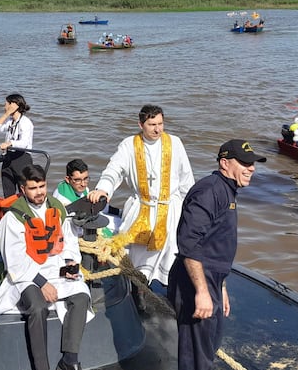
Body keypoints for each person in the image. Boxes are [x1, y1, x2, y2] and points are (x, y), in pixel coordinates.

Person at [168, 139, 266, 370]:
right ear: (225, 163)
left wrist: (220, 286)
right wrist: (202, 291)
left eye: (252, 163)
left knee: (208, 348)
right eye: (244, 163)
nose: (251, 168)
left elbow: (213, 243)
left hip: (210, 280)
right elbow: (189, 244)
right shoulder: (211, 191)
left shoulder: (227, 191)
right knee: (196, 358)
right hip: (194, 282)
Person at [0, 165, 91, 370]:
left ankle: (69, 359)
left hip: (55, 265)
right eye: (33, 188)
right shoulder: (13, 218)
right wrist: (42, 283)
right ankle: (42, 366)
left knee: (81, 296)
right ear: (23, 189)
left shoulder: (57, 207)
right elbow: (14, 260)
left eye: (42, 186)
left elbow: (68, 239)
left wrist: (70, 262)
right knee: (38, 307)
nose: (39, 192)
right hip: (27, 273)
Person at [87, 105, 194, 286]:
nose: (157, 129)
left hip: (170, 209)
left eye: (160, 123)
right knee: (136, 256)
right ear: (141, 124)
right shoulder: (129, 145)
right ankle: (138, 290)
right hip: (141, 207)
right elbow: (114, 170)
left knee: (171, 253)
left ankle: (168, 290)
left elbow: (186, 178)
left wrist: (192, 208)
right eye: (152, 124)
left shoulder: (174, 143)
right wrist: (103, 188)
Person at [53, 158, 121, 235]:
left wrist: (119, 212)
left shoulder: (81, 188)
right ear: (68, 179)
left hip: (86, 219)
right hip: (72, 230)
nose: (83, 184)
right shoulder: (63, 200)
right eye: (78, 180)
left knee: (122, 221)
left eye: (85, 178)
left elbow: (95, 206)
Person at [0, 93, 34, 197]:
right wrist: (6, 114)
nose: (4, 107)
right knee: (8, 189)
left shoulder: (25, 122)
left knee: (23, 190)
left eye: (6, 104)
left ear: (13, 105)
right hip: (8, 157)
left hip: (21, 158)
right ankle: (9, 210)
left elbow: (24, 143)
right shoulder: (10, 121)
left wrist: (10, 143)